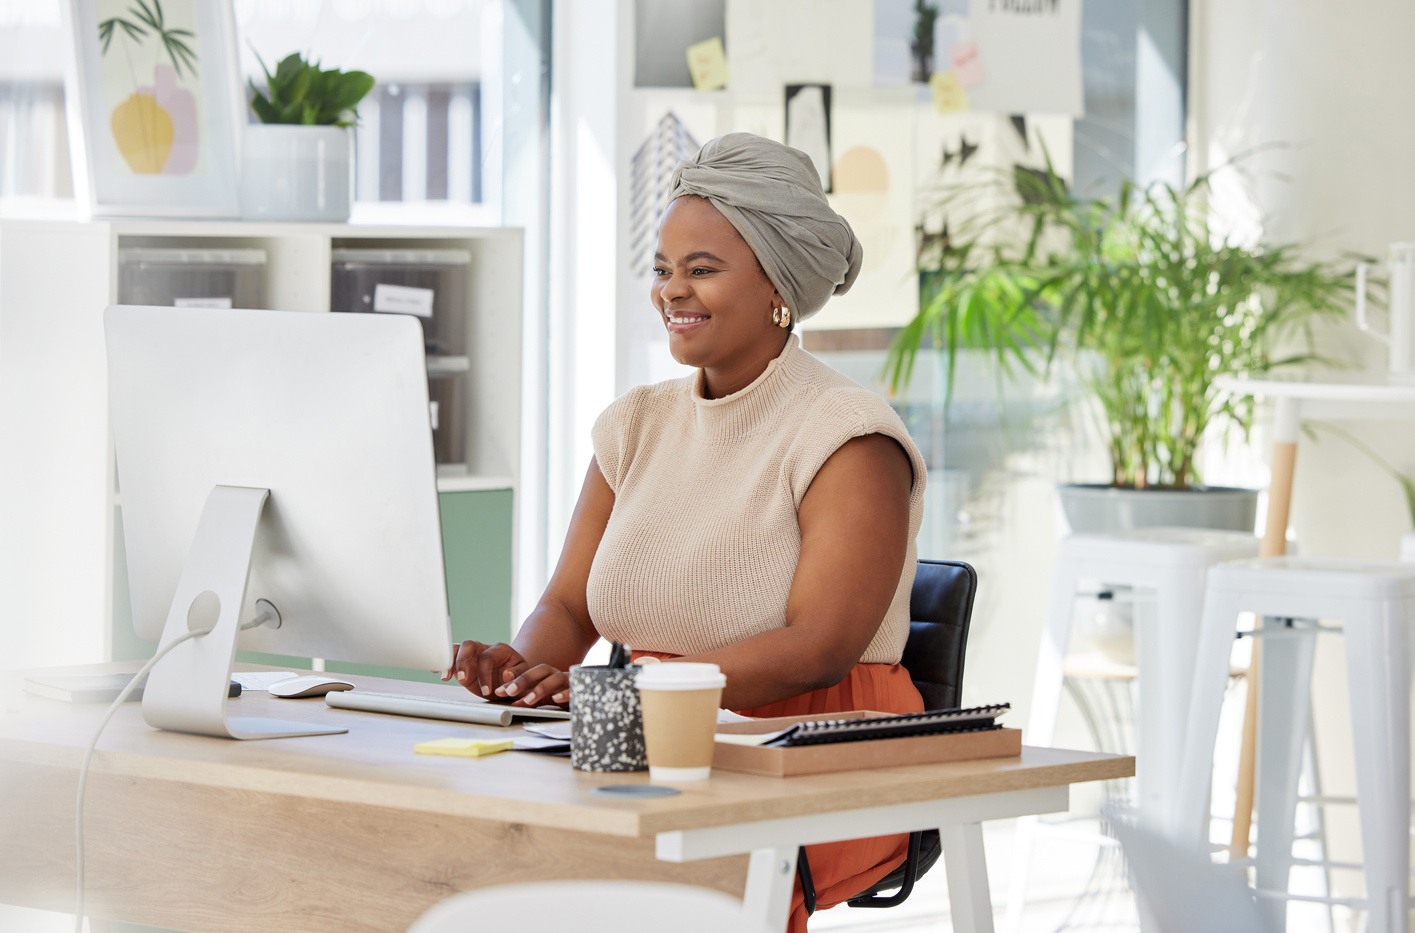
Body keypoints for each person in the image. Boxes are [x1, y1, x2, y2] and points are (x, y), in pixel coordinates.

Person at [445, 132, 929, 930]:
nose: (672, 289)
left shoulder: (848, 435)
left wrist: (632, 699)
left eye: (701, 269)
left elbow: (819, 647)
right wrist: (522, 671)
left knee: (602, 879)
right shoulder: (634, 423)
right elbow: (568, 609)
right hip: (639, 729)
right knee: (473, 846)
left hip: (814, 743)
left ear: (778, 283)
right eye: (664, 269)